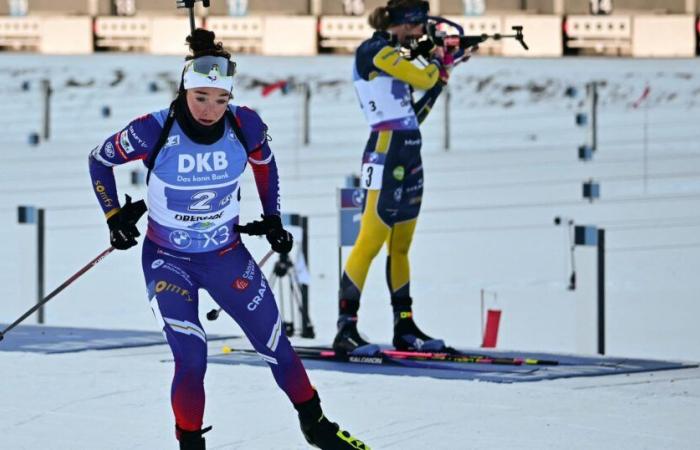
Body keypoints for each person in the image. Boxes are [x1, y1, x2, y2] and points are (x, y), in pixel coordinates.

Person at [88, 28, 369, 450]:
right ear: (184, 89)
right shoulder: (152, 130)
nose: (210, 109)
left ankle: (316, 424)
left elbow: (266, 166)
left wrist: (272, 217)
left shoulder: (245, 122)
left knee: (274, 343)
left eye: (220, 100)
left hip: (226, 256)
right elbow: (99, 160)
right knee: (191, 356)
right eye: (201, 97)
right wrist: (114, 216)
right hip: (169, 260)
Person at [334, 0, 462, 354]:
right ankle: (346, 328)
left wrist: (441, 73)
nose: (423, 30)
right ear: (405, 23)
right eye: (420, 24)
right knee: (371, 239)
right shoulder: (375, 50)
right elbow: (423, 77)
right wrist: (439, 60)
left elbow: (413, 113)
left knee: (401, 244)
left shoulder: (394, 56)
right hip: (386, 149)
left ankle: (404, 326)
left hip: (407, 147)